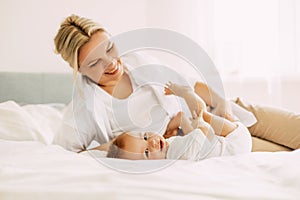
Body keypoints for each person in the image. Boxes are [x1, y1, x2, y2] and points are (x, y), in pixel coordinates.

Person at [53, 14, 256, 152]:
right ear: (80, 70)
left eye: (109, 48)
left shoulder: (136, 61)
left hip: (220, 109)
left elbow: (187, 83)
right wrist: (120, 145)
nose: (111, 63)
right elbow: (67, 155)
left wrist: (222, 103)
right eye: (95, 62)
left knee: (287, 128)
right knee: (275, 151)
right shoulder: (85, 109)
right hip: (201, 138)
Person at [104, 82, 252, 160]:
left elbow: (192, 141)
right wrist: (199, 122)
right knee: (201, 114)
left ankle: (188, 95)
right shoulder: (175, 153)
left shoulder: (168, 150)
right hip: (235, 143)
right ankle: (186, 94)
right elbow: (201, 134)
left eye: (145, 137)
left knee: (201, 114)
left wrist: (189, 123)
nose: (152, 142)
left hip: (229, 135)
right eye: (147, 152)